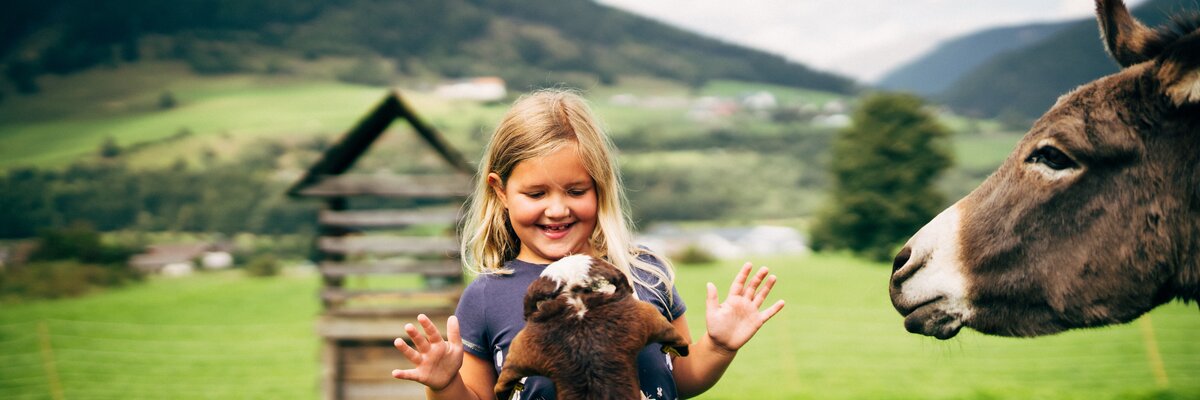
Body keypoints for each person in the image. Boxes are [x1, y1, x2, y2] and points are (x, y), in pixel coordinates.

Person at [391, 89, 785, 399]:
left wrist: (718, 346)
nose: (557, 209)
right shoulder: (485, 297)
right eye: (536, 193)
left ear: (600, 187)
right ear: (501, 191)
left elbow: (678, 380)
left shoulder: (645, 274)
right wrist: (443, 386)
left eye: (576, 190)